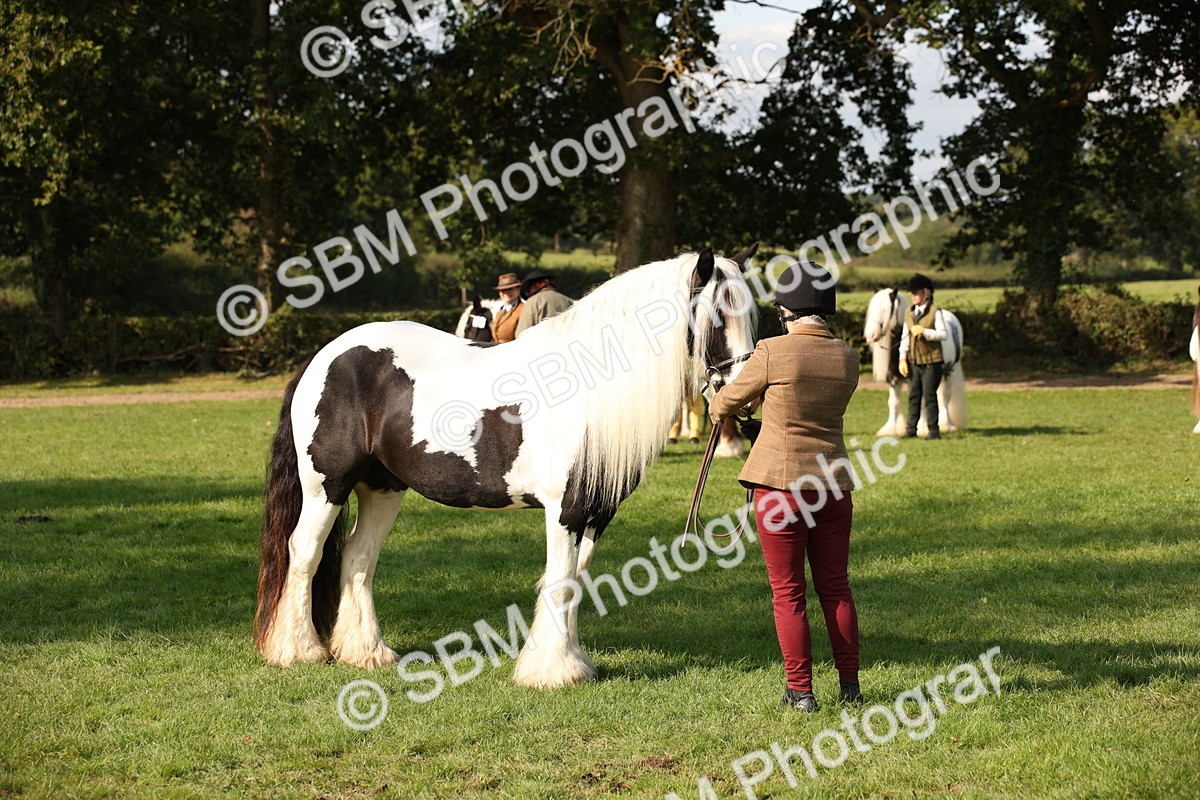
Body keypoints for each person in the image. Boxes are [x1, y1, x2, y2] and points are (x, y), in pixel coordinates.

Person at [709, 262, 862, 712]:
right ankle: (850, 687)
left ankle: (801, 691)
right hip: (833, 485)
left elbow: (724, 404)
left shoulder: (772, 350)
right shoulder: (848, 357)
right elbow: (810, 410)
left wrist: (737, 404)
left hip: (782, 488)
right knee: (836, 588)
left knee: (789, 592)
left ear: (784, 311)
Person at [898, 273, 948, 440]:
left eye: (916, 292)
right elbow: (905, 336)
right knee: (913, 396)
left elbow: (943, 334)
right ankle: (911, 429)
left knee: (929, 396)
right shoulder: (909, 312)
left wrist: (924, 332)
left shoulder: (935, 311)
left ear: (926, 293)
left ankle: (934, 431)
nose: (913, 295)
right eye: (911, 293)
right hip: (914, 361)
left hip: (931, 361)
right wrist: (902, 358)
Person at [514, 269, 573, 337]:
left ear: (535, 285)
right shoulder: (567, 300)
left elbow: (522, 333)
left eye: (528, 289)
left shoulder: (533, 301)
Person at [490, 272, 524, 343]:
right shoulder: (500, 311)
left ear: (518, 289)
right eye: (503, 290)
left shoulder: (523, 309)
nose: (506, 293)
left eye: (510, 289)